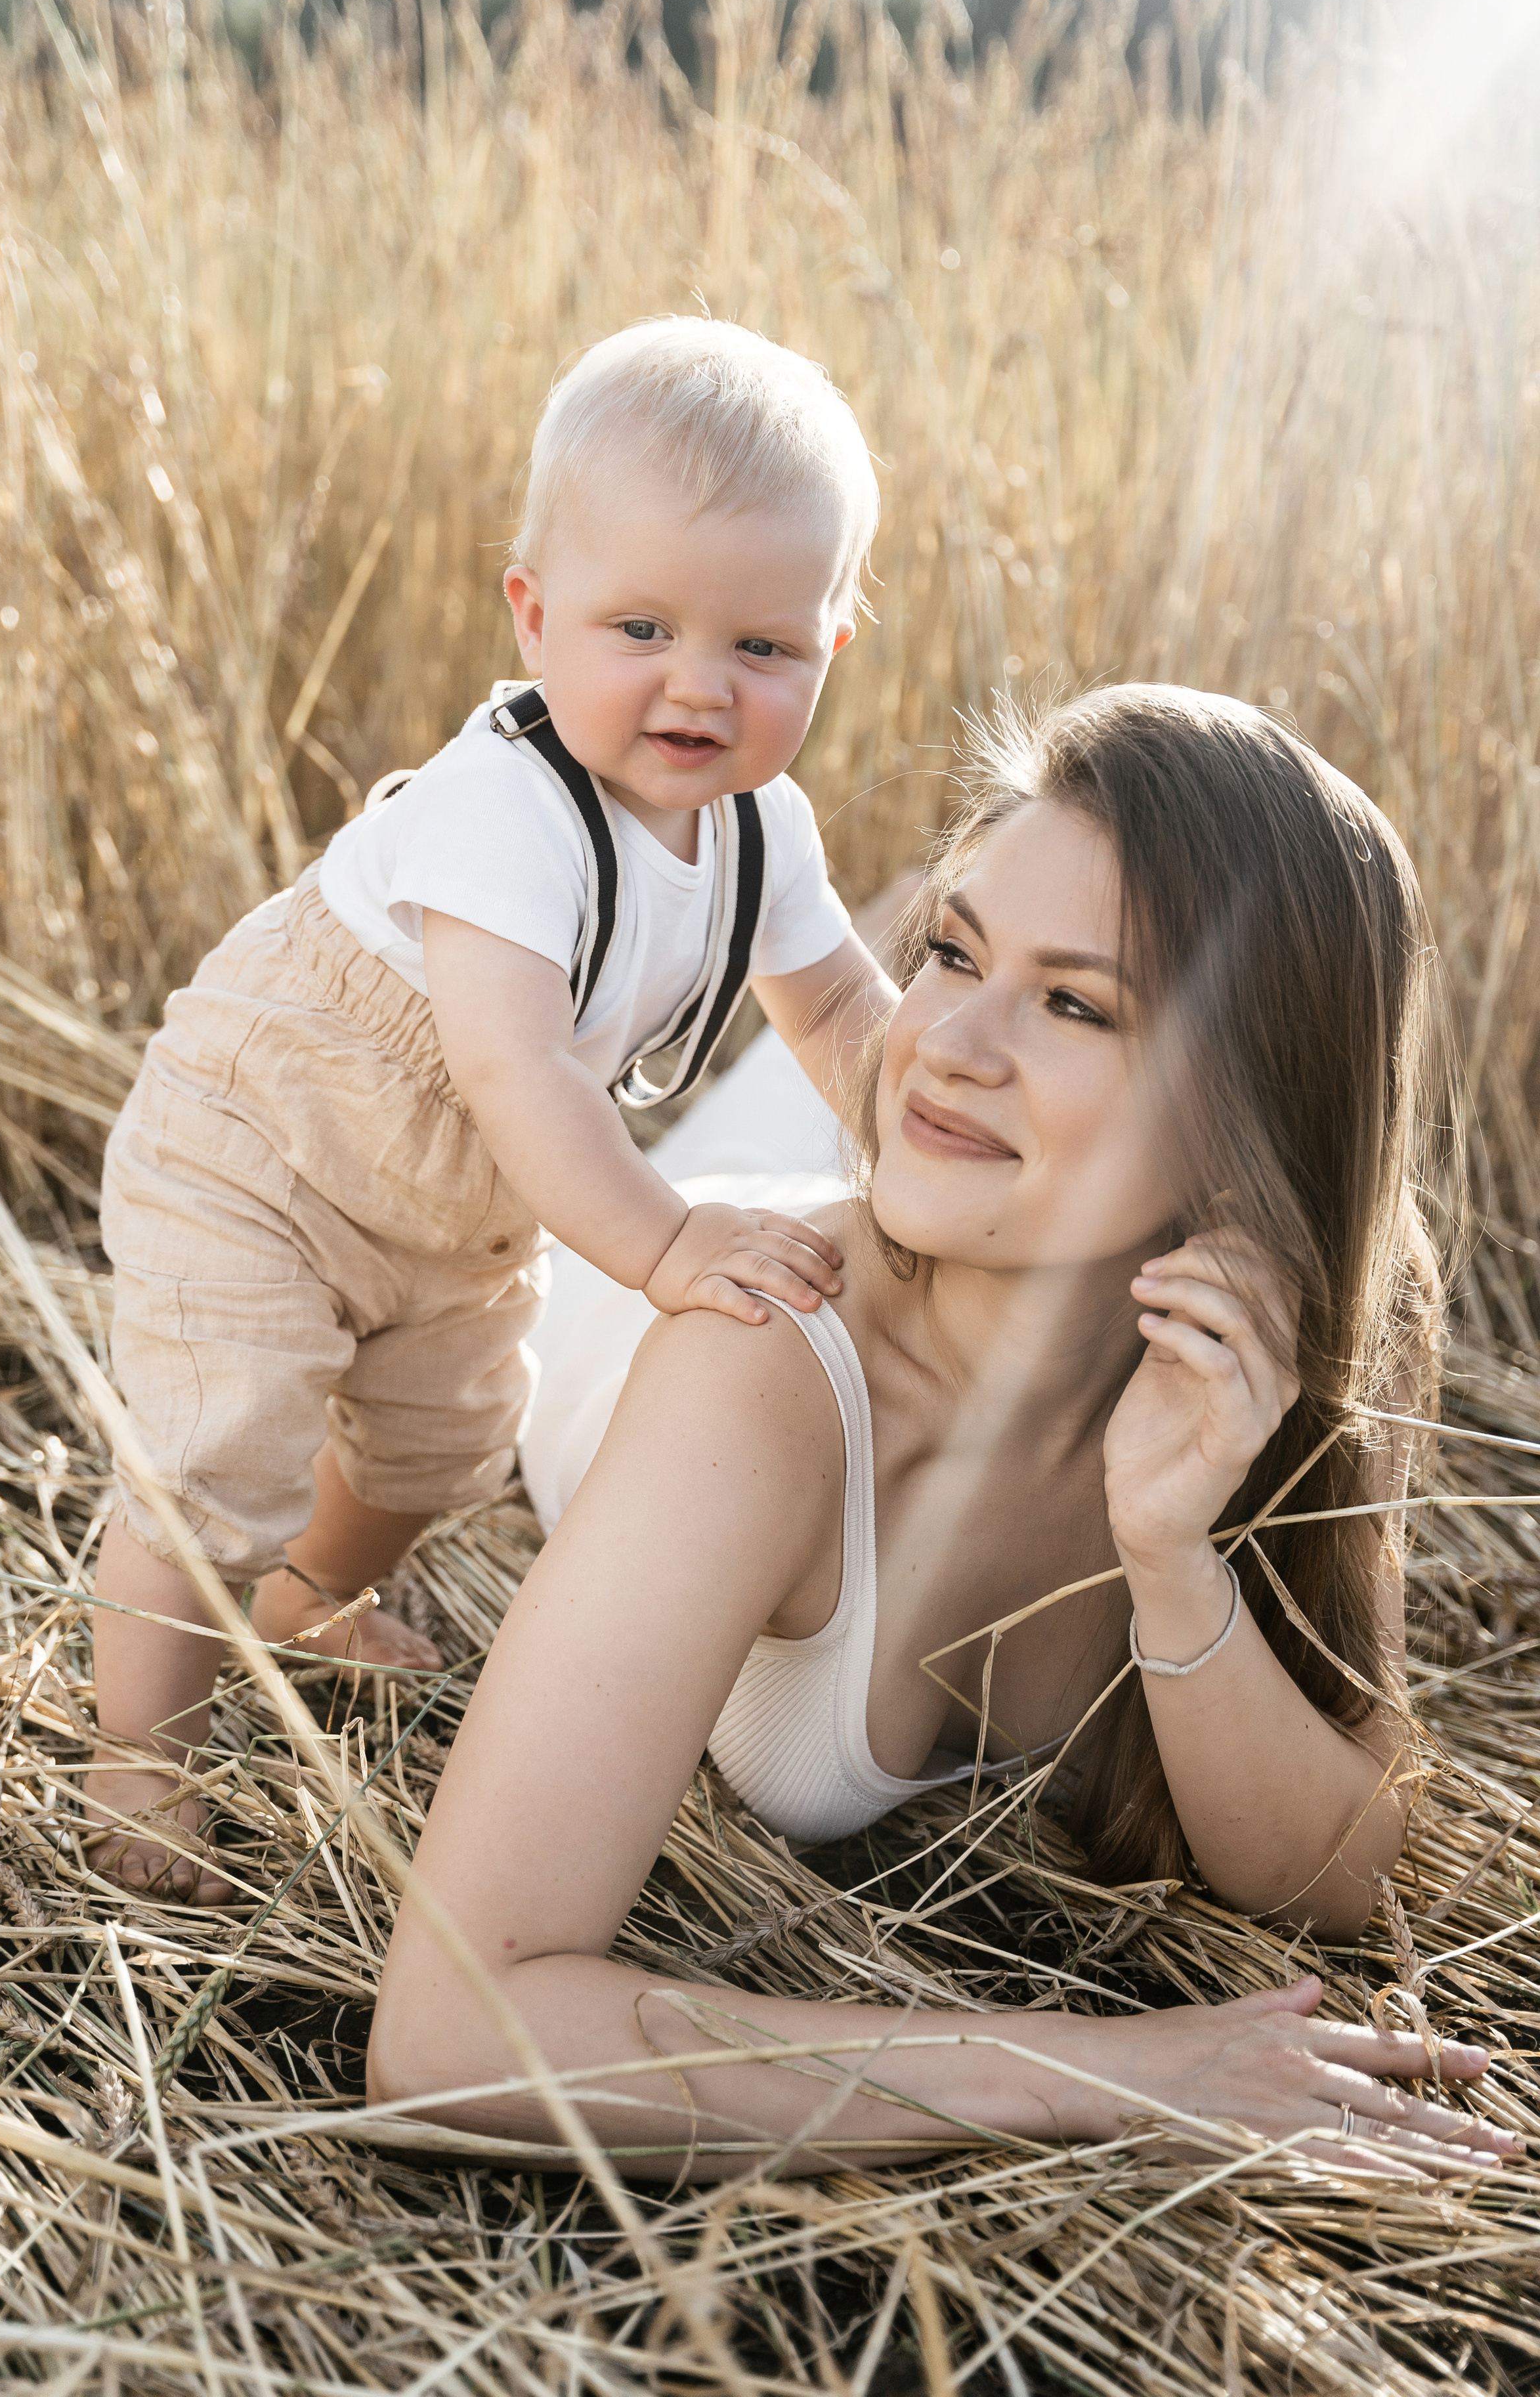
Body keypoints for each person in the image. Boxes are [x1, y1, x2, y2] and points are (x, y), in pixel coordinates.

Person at [366, 685, 1520, 2177]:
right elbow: (450, 2034)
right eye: (951, 954)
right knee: (772, 1112)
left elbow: (1344, 1872)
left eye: (1075, 1001)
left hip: (972, 1197)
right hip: (756, 1251)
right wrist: (1100, 2071)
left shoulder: (1299, 1339)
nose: (952, 1038)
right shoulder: (758, 1379)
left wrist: (1172, 1557)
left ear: (1248, 1121)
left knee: (866, 1091)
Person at [89, 318, 900, 1897]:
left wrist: (925, 1144)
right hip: (266, 1149)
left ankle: (311, 1596)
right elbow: (516, 1071)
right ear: (534, 617)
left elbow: (846, 1016)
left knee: (447, 1436)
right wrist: (662, 1245)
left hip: (456, 1204)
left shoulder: (764, 836)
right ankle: (140, 1756)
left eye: (760, 648)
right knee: (224, 1448)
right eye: (641, 627)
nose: (696, 685)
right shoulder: (500, 811)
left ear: (830, 650)